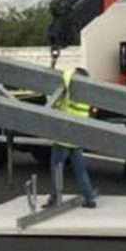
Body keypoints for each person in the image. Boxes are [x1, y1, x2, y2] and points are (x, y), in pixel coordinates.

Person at [45, 68, 97, 209]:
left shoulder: (68, 93)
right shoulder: (85, 97)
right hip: (76, 137)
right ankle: (89, 198)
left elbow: (54, 105)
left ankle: (55, 198)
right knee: (80, 170)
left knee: (56, 168)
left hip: (63, 137)